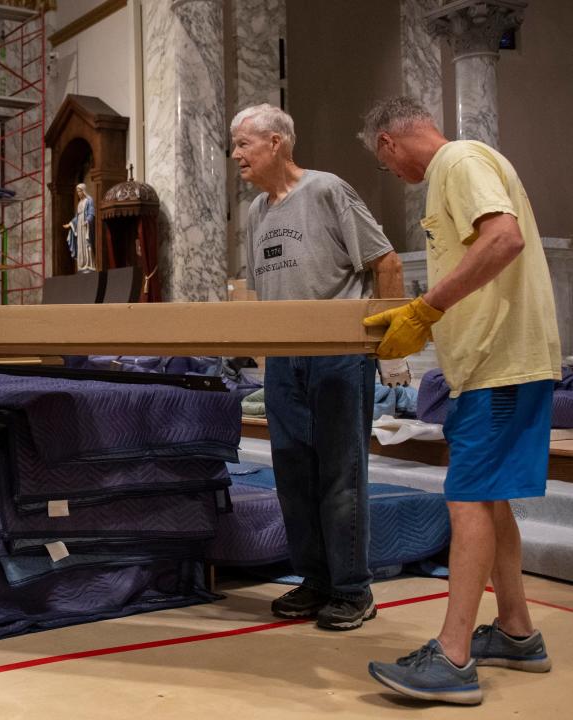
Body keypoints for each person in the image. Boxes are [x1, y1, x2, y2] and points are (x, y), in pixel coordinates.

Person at [361, 96, 560, 705]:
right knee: (489, 500)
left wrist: (427, 307)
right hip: (495, 365)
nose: (390, 172)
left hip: (500, 365)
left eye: (383, 162)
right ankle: (518, 632)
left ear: (390, 144)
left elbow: (504, 238)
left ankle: (451, 657)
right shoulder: (466, 164)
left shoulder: (457, 160)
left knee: (467, 500)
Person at [230, 104, 404, 630]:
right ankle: (316, 581)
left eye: (243, 143)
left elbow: (386, 262)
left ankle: (353, 589)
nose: (236, 154)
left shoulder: (328, 190)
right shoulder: (257, 212)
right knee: (293, 475)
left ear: (277, 142)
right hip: (284, 361)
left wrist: (387, 350)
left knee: (341, 475)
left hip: (337, 355)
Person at [63, 183, 96, 272]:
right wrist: (70, 224)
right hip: (79, 225)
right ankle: (82, 265)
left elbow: (91, 212)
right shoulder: (79, 203)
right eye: (77, 192)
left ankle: (88, 264)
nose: (78, 193)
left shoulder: (89, 200)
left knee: (86, 244)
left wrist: (88, 220)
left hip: (85, 226)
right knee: (80, 245)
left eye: (80, 191)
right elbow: (77, 217)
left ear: (83, 191)